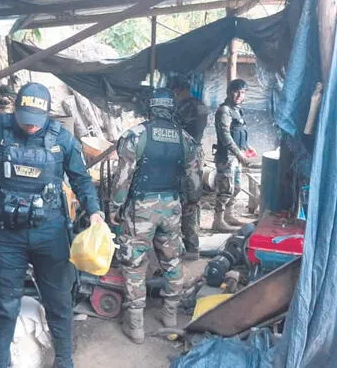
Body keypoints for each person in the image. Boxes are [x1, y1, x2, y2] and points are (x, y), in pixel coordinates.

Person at [0, 70, 104, 367]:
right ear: (15, 110)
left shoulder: (62, 140)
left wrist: (94, 212)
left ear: (47, 114)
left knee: (59, 303)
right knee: (4, 306)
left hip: (49, 234)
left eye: (35, 122)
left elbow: (81, 180)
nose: (29, 127)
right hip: (6, 235)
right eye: (24, 119)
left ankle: (64, 361)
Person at [109, 87, 202, 344]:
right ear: (172, 108)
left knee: (135, 263)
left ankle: (136, 326)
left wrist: (115, 209)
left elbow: (123, 180)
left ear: (150, 108)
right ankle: (169, 316)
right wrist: (192, 203)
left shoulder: (135, 136)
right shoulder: (185, 139)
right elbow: (195, 179)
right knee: (172, 260)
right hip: (172, 206)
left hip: (141, 209)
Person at [169, 75, 209, 260]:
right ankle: (192, 245)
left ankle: (190, 246)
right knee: (192, 200)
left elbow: (176, 131)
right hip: (195, 153)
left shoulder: (184, 107)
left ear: (178, 90)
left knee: (188, 201)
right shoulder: (199, 104)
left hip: (185, 155)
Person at [212, 79, 256, 232]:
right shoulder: (224, 110)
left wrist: (247, 147)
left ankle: (228, 215)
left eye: (242, 92)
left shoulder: (237, 109)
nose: (239, 95)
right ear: (229, 92)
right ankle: (218, 221)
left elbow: (239, 131)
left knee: (236, 187)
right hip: (227, 157)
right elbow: (225, 135)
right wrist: (239, 153)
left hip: (236, 156)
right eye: (236, 91)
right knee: (225, 189)